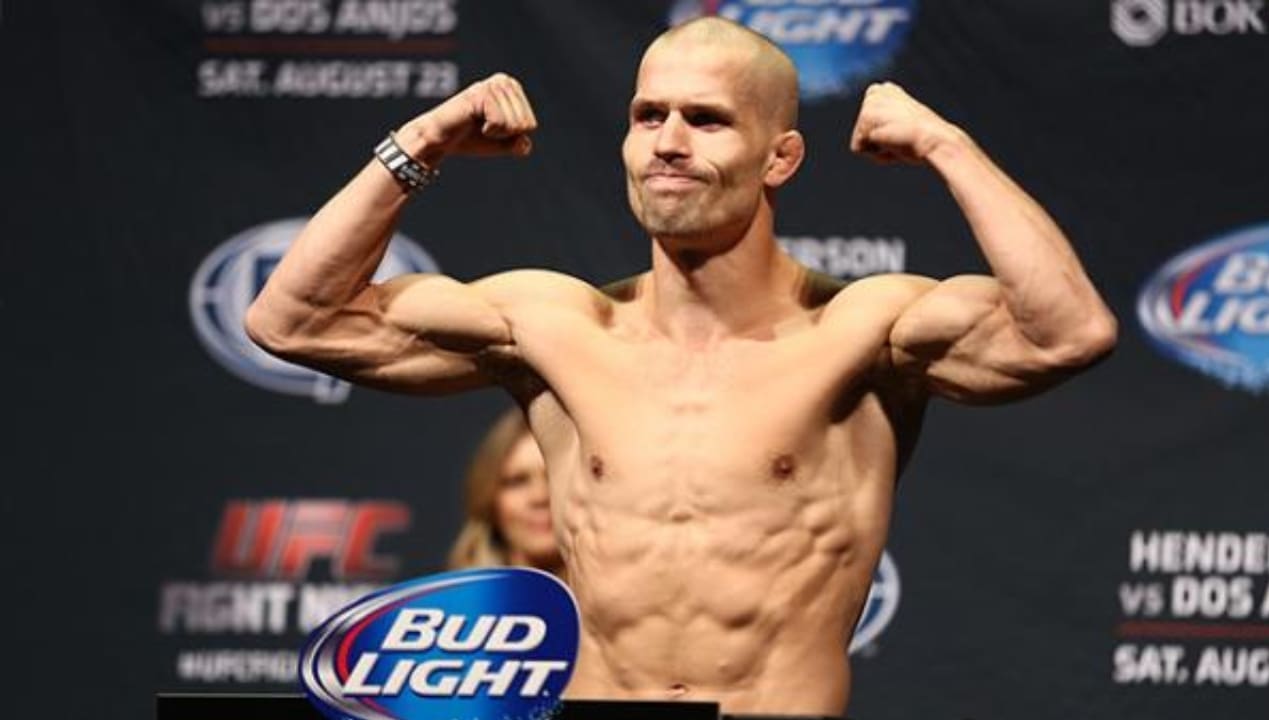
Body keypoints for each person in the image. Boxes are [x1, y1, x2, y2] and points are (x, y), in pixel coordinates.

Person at [245, 17, 1116, 716]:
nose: (667, 142)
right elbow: (292, 320)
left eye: (706, 120)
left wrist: (946, 146)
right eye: (647, 115)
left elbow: (1065, 332)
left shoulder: (861, 333)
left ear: (780, 157)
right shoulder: (554, 328)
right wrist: (420, 144)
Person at [447, 407, 564, 577]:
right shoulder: (462, 594)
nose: (540, 497)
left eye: (553, 476)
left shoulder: (608, 593)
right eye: (517, 481)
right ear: (489, 500)